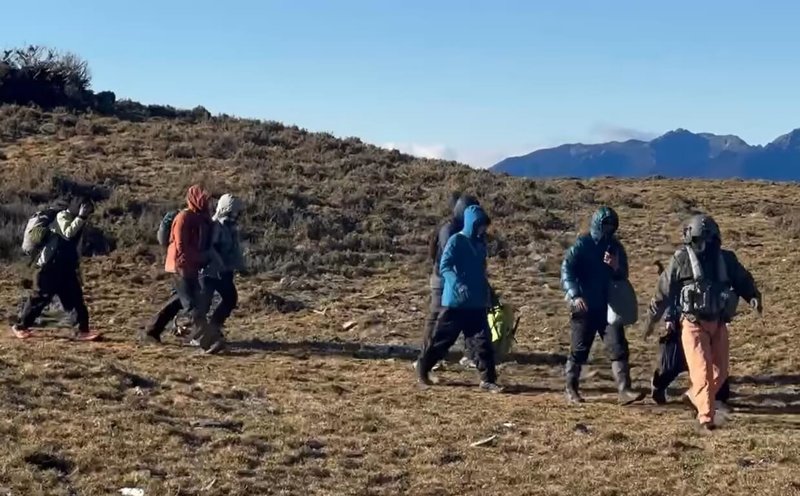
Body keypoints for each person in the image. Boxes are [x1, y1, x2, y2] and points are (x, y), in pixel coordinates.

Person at [643, 214, 762, 433]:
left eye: (710, 240)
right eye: (700, 240)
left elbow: (742, 279)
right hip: (692, 324)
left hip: (718, 323)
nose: (705, 246)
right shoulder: (681, 260)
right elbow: (663, 292)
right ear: (690, 239)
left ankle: (691, 396)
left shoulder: (726, 260)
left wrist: (753, 295)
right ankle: (706, 418)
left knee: (721, 372)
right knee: (702, 372)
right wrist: (652, 320)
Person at [561, 206, 644, 405]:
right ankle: (570, 388)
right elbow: (567, 270)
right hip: (584, 306)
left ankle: (624, 390)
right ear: (597, 224)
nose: (608, 230)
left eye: (611, 226)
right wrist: (575, 295)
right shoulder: (582, 244)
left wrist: (616, 267)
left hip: (608, 308)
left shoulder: (615, 248)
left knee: (618, 346)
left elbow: (623, 275)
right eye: (605, 225)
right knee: (579, 348)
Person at [415, 204, 502, 393]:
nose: (483, 229)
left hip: (476, 303)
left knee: (482, 342)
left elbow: (480, 272)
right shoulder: (456, 241)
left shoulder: (479, 245)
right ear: (472, 223)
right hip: (456, 302)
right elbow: (445, 266)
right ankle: (423, 369)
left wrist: (488, 294)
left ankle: (488, 379)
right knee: (442, 340)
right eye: (479, 225)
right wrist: (457, 283)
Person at [142, 185, 224, 354]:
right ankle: (207, 341)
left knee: (178, 302)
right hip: (181, 266)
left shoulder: (200, 218)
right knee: (191, 304)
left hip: (190, 266)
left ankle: (151, 330)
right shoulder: (184, 217)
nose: (208, 203)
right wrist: (201, 258)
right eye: (205, 199)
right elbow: (181, 246)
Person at [12, 197, 100, 341]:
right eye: (85, 208)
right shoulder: (62, 216)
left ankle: (82, 330)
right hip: (49, 267)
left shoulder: (79, 220)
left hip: (66, 268)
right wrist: (81, 217)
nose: (87, 211)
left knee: (74, 300)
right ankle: (20, 326)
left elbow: (75, 246)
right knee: (39, 298)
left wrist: (77, 266)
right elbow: (68, 233)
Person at [418, 193, 480, 369]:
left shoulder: (466, 229)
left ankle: (469, 354)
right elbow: (449, 256)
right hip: (444, 280)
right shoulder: (449, 229)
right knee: (437, 317)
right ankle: (426, 357)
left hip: (457, 279)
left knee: (464, 318)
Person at [199, 193, 245, 337]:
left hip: (224, 271)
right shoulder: (216, 226)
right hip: (210, 271)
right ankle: (200, 333)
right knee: (204, 304)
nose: (236, 215)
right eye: (234, 211)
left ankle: (213, 328)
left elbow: (233, 249)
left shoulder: (231, 227)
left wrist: (238, 264)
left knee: (230, 299)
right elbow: (211, 248)